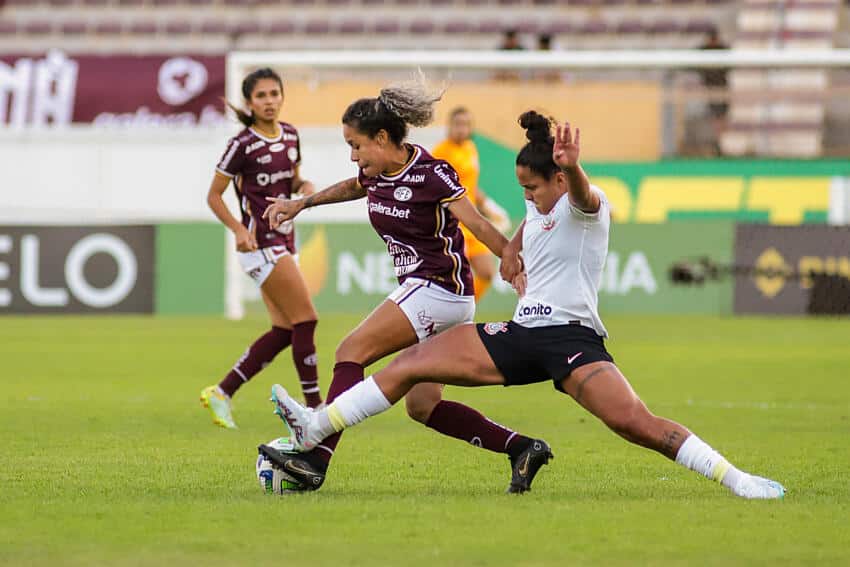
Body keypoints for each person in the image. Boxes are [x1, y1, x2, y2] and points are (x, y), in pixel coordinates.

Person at [264, 111, 786, 500]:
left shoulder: (587, 206)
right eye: (522, 189)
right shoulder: (536, 207)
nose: (528, 196)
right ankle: (318, 427)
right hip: (518, 335)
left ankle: (736, 480)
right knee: (406, 368)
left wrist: (575, 169)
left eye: (533, 188)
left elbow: (582, 197)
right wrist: (511, 253)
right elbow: (528, 228)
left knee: (634, 423)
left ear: (560, 179)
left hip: (571, 340)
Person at [261, 76, 551, 492]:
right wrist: (300, 204)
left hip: (438, 289)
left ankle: (315, 457)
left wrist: (511, 256)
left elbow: (474, 221)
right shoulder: (376, 172)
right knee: (422, 406)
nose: (352, 156)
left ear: (381, 137)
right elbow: (352, 187)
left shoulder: (432, 173)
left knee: (350, 351)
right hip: (435, 294)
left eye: (355, 145)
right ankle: (522, 447)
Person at [200, 68, 323, 429]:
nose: (269, 101)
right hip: (261, 243)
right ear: (249, 103)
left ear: (282, 96)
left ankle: (221, 392)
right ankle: (315, 408)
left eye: (274, 94)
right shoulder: (242, 144)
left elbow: (293, 177)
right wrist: (237, 228)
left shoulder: (291, 135)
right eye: (261, 96)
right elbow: (214, 195)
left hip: (285, 238)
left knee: (285, 331)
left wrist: (305, 185)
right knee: (307, 319)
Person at [431, 107, 510, 302]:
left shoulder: (470, 149)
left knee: (486, 272)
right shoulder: (441, 151)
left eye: (465, 124)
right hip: (453, 222)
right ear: (449, 126)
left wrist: (490, 206)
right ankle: (450, 314)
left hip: (473, 221)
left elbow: (470, 186)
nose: (461, 129)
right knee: (457, 277)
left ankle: (463, 311)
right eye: (457, 124)